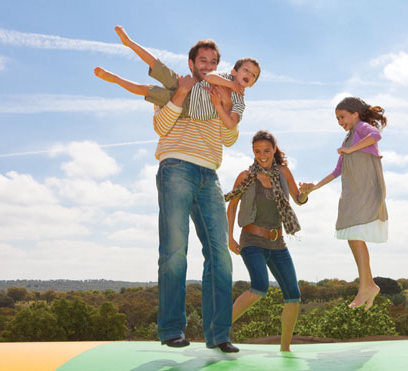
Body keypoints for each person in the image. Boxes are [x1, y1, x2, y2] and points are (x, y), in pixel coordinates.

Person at [149, 38, 241, 353]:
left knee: (220, 254)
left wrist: (222, 105)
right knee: (175, 250)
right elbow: (160, 126)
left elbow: (230, 138)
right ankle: (172, 329)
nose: (208, 66)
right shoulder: (177, 87)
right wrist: (181, 93)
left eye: (213, 61)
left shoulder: (223, 93)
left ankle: (219, 335)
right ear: (192, 64)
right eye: (203, 60)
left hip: (209, 175)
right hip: (175, 165)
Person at [300, 96, 388, 311]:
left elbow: (376, 135)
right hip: (352, 193)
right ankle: (368, 285)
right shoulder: (348, 139)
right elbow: (336, 171)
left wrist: (351, 149)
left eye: (342, 117)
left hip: (365, 190)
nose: (340, 121)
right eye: (337, 118)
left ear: (355, 114)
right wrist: (313, 187)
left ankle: (366, 286)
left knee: (354, 235)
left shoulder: (361, 129)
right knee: (351, 235)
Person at [225, 130, 309, 352]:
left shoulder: (283, 172)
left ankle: (285, 348)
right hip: (251, 240)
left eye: (266, 150)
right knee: (259, 287)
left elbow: (299, 199)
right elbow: (232, 205)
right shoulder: (245, 176)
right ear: (253, 152)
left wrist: (305, 193)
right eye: (257, 151)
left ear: (274, 150)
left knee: (293, 296)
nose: (262, 155)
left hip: (278, 242)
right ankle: (220, 330)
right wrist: (229, 237)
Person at [94, 26, 260, 129]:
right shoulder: (224, 76)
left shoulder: (240, 101)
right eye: (246, 70)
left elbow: (231, 124)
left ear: (252, 84)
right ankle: (129, 42)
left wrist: (220, 105)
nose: (249, 75)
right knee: (157, 65)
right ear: (234, 71)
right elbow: (209, 77)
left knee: (145, 89)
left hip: (186, 108)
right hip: (187, 85)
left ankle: (115, 78)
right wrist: (231, 86)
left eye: (253, 75)